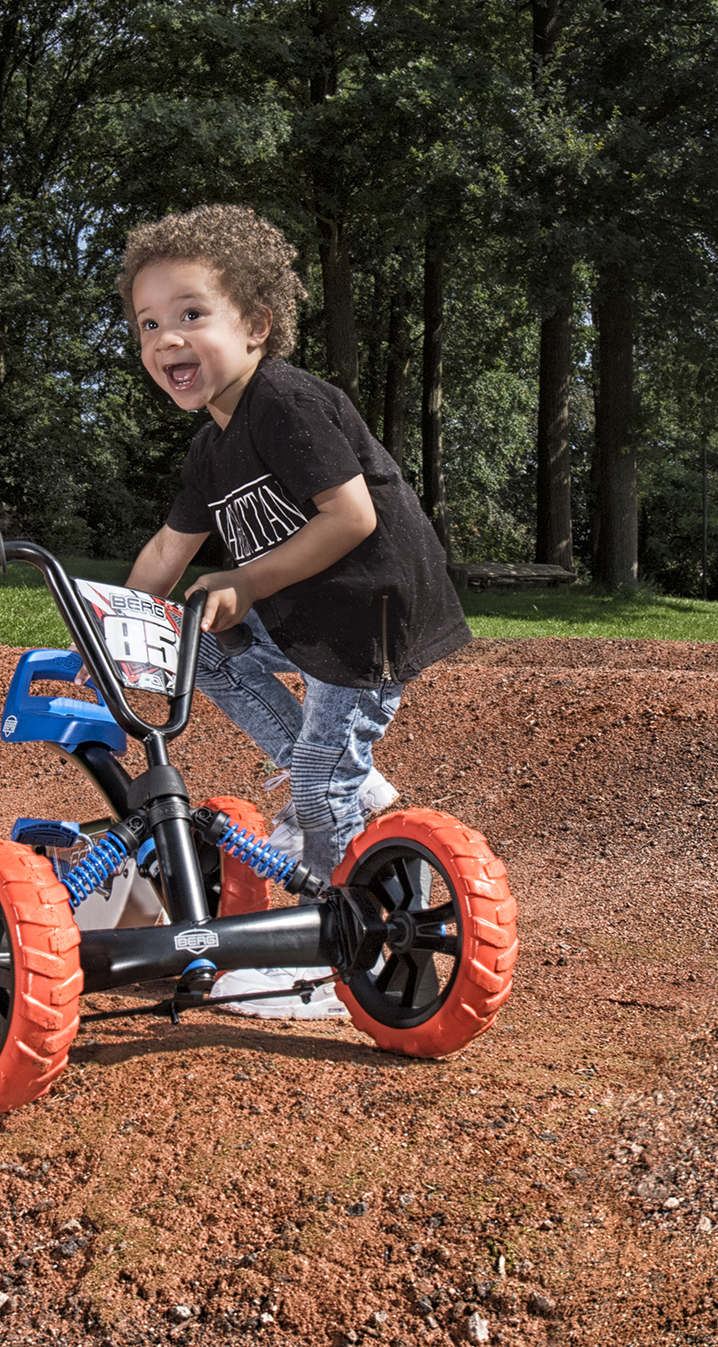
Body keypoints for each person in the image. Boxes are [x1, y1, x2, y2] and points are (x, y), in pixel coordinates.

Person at [121, 204, 470, 888]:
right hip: (311, 609)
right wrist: (114, 629)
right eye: (150, 325)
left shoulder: (284, 399)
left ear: (255, 325)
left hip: (371, 612)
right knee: (193, 639)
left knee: (316, 792)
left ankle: (334, 955)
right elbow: (169, 549)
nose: (167, 339)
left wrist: (247, 582)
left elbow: (351, 518)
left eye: (191, 315)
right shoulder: (209, 450)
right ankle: (347, 778)